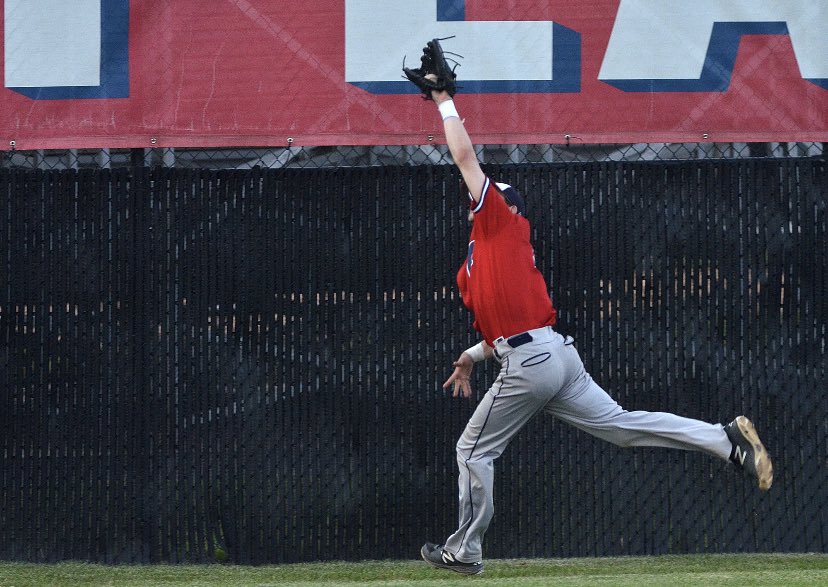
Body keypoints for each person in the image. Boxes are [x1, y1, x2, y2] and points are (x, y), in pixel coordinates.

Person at [415, 78, 774, 576]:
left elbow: (464, 158)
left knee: (472, 450)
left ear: (508, 205)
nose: (480, 193)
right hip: (551, 356)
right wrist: (473, 357)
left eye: (493, 194)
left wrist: (443, 101)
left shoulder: (503, 223)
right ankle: (724, 439)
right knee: (623, 428)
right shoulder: (476, 263)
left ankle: (465, 552)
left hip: (535, 360)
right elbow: (506, 326)